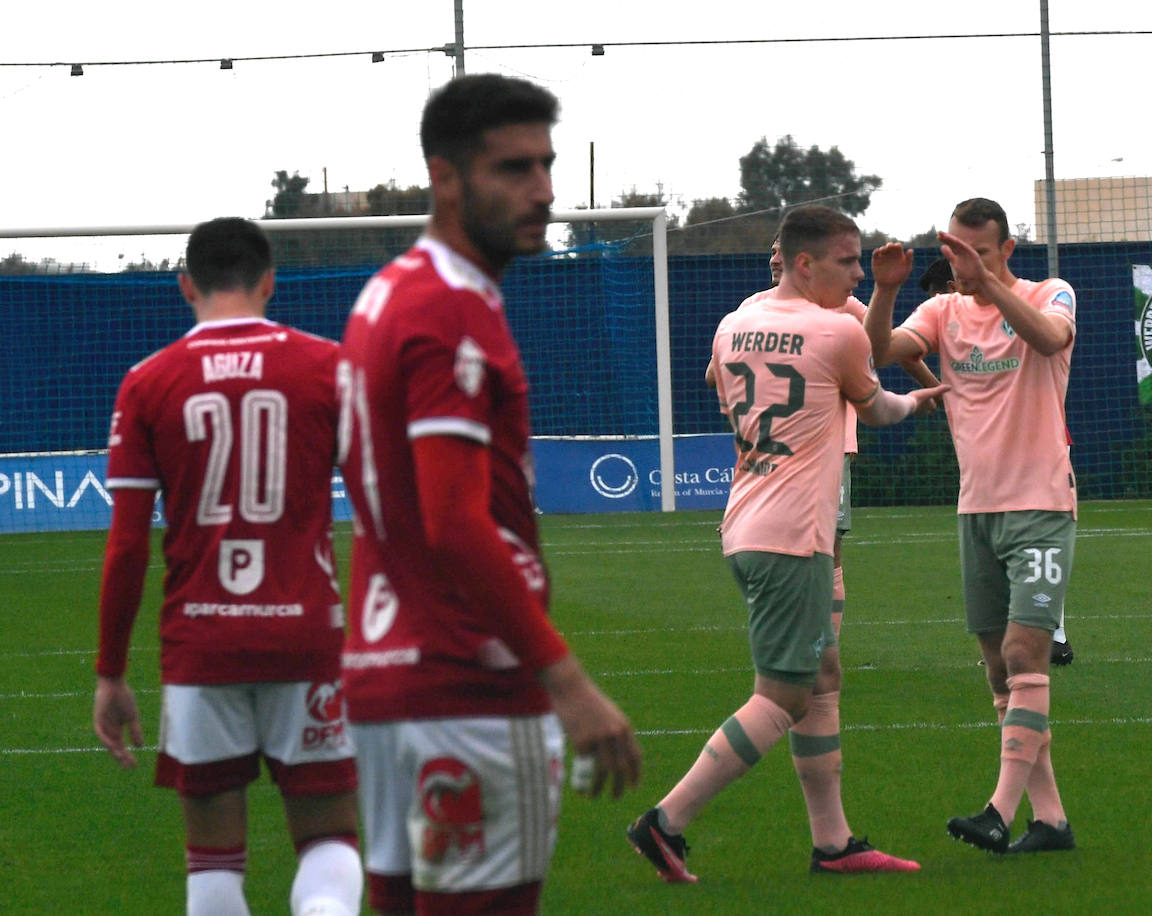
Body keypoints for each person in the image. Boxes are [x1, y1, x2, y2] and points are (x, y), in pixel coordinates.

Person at [334, 73, 641, 915]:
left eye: (546, 166)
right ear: (445, 176)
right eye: (513, 169)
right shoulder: (452, 308)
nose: (542, 191)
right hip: (468, 681)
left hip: (384, 675)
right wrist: (568, 683)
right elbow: (454, 522)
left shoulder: (386, 294)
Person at [628, 205, 948, 883]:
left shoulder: (733, 322)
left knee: (820, 677)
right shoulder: (836, 330)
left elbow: (725, 390)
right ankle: (667, 821)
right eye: (846, 261)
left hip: (748, 520)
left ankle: (833, 843)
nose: (857, 273)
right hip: (795, 531)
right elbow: (879, 409)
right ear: (804, 263)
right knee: (783, 694)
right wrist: (921, 402)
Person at [93, 216, 363, 916]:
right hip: (305, 635)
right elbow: (384, 514)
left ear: (185, 284)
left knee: (212, 865)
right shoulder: (329, 367)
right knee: (329, 844)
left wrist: (110, 671)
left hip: (202, 646)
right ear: (270, 281)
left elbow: (125, 545)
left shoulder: (147, 382)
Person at [865, 198, 1078, 855]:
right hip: (976, 509)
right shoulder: (942, 310)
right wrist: (883, 291)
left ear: (1006, 250)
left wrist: (989, 286)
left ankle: (998, 811)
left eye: (977, 255)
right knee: (996, 668)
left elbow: (1049, 338)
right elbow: (880, 351)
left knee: (1024, 654)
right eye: (954, 253)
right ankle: (1051, 822)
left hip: (1041, 503)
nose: (962, 267)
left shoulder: (1050, 291)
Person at [918, 255, 1076, 668]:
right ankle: (1021, 642)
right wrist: (936, 387)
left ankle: (1050, 634)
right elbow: (893, 349)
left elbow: (1052, 336)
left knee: (1034, 554)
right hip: (986, 470)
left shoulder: (1032, 301)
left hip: (1040, 456)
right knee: (1005, 561)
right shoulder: (949, 319)